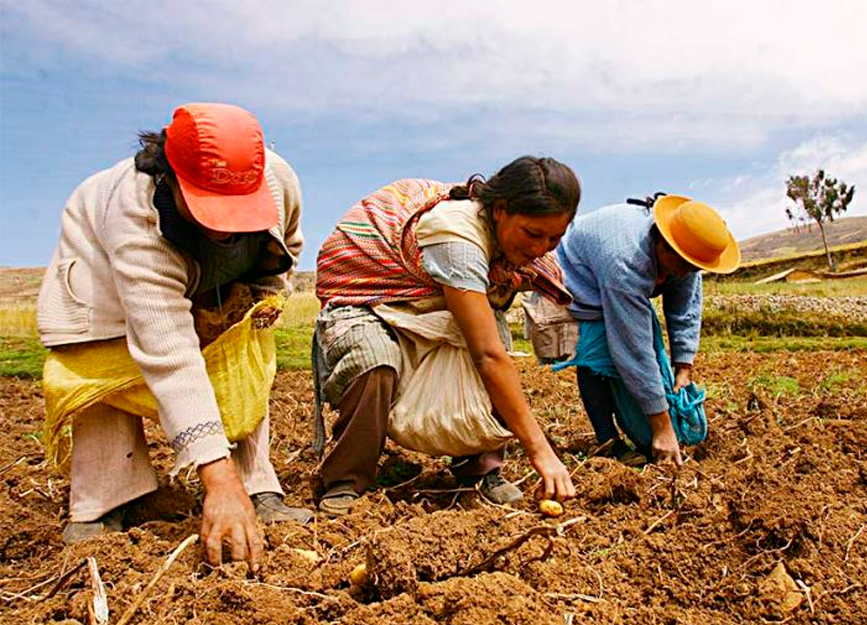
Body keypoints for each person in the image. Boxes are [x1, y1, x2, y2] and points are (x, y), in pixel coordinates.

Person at [37, 102, 311, 572]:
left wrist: (263, 298)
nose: (224, 229)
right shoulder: (136, 221)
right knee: (105, 370)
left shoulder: (277, 177)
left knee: (239, 353)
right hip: (103, 287)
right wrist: (214, 481)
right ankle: (104, 502)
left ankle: (256, 484)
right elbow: (169, 354)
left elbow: (289, 243)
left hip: (219, 279)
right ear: (172, 179)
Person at [313, 156, 580, 516]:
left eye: (554, 238)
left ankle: (480, 469)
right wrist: (540, 449)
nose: (540, 249)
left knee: (492, 337)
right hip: (370, 299)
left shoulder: (514, 251)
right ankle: (346, 480)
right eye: (533, 234)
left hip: (432, 301)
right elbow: (487, 356)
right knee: (372, 361)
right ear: (500, 210)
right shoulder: (456, 237)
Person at [555, 194, 740, 466]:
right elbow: (634, 349)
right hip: (577, 278)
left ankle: (641, 421)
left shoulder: (686, 253)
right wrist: (662, 428)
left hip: (615, 276)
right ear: (663, 247)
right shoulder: (625, 262)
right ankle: (608, 442)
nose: (689, 273)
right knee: (596, 357)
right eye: (684, 266)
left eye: (694, 269)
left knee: (648, 371)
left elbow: (684, 307)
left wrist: (683, 367)